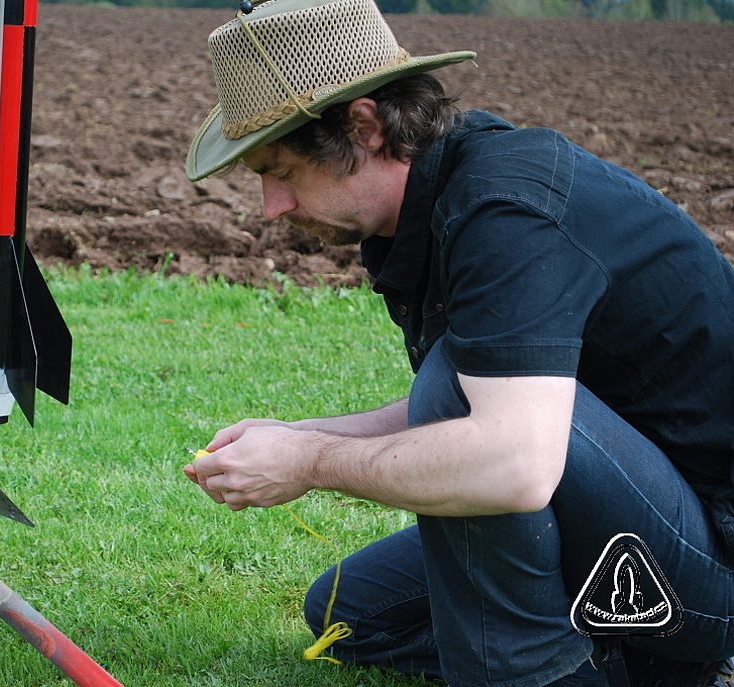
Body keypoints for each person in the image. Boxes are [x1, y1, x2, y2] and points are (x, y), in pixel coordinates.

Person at [180, 0, 734, 685]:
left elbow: (511, 461)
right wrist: (295, 435)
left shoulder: (504, 211)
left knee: (461, 413)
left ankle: (545, 671)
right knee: (354, 611)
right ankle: (644, 664)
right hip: (639, 509)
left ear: (364, 127)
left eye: (283, 170)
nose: (272, 205)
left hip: (714, 561)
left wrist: (309, 461)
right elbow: (488, 389)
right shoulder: (438, 198)